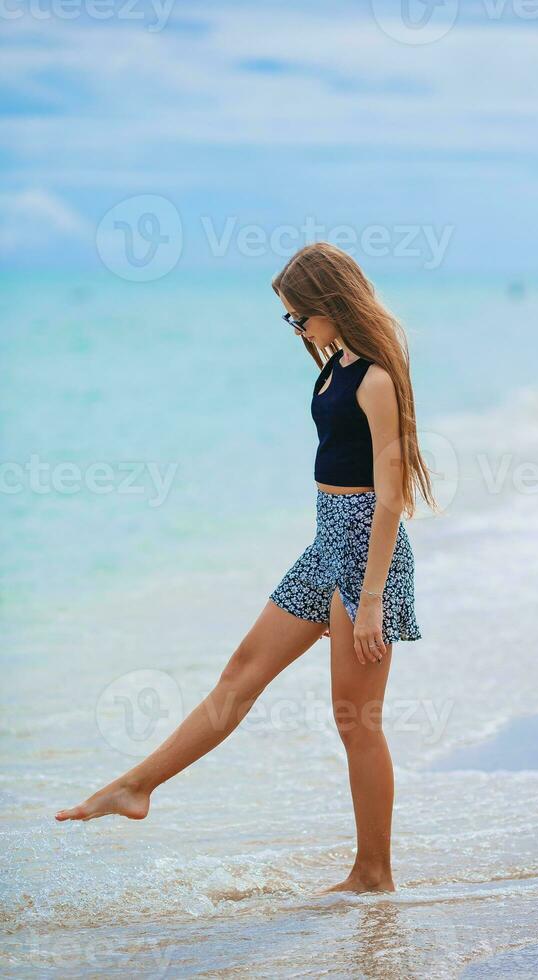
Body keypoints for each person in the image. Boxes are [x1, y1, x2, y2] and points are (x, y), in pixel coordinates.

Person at [55, 242, 439, 895]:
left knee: (355, 721)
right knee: (239, 674)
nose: (298, 329)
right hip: (323, 549)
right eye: (291, 319)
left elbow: (392, 493)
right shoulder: (333, 365)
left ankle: (374, 873)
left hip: (368, 560)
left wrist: (369, 597)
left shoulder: (375, 376)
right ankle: (136, 786)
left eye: (299, 316)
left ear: (329, 302)